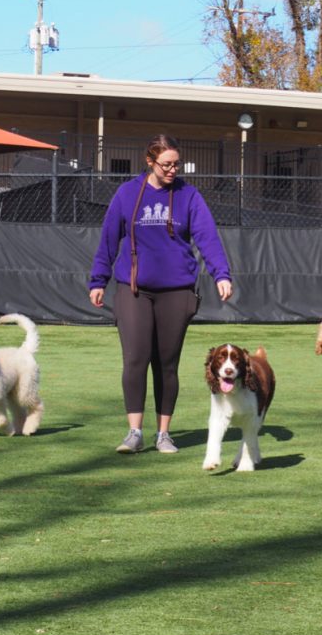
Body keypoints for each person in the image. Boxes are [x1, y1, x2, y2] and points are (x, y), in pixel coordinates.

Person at [89, 134, 233, 454]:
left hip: (177, 291)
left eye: (176, 164)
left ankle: (164, 434)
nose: (172, 170)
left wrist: (221, 274)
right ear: (150, 162)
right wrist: (98, 280)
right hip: (134, 290)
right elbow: (108, 240)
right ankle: (135, 432)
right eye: (166, 164)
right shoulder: (127, 194)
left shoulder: (188, 195)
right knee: (136, 359)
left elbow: (207, 238)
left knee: (166, 364)